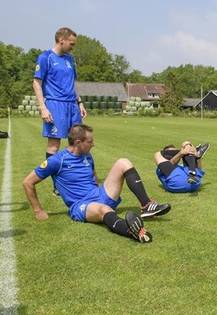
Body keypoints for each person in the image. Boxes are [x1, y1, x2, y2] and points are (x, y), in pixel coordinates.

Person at [23, 124, 171, 243]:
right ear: (78, 142)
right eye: (90, 142)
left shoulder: (87, 155)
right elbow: (28, 182)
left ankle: (146, 206)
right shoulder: (56, 161)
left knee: (123, 162)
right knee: (103, 209)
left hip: (99, 194)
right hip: (81, 205)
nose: (93, 145)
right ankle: (130, 230)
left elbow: (93, 176)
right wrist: (38, 210)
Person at [33, 27, 87, 194]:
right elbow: (36, 83)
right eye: (71, 43)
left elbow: (72, 84)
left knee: (79, 142)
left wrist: (80, 102)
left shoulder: (70, 59)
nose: (73, 47)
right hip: (55, 105)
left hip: (72, 105)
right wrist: (43, 108)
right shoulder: (45, 58)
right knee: (54, 146)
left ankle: (78, 180)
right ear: (61, 40)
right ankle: (57, 185)